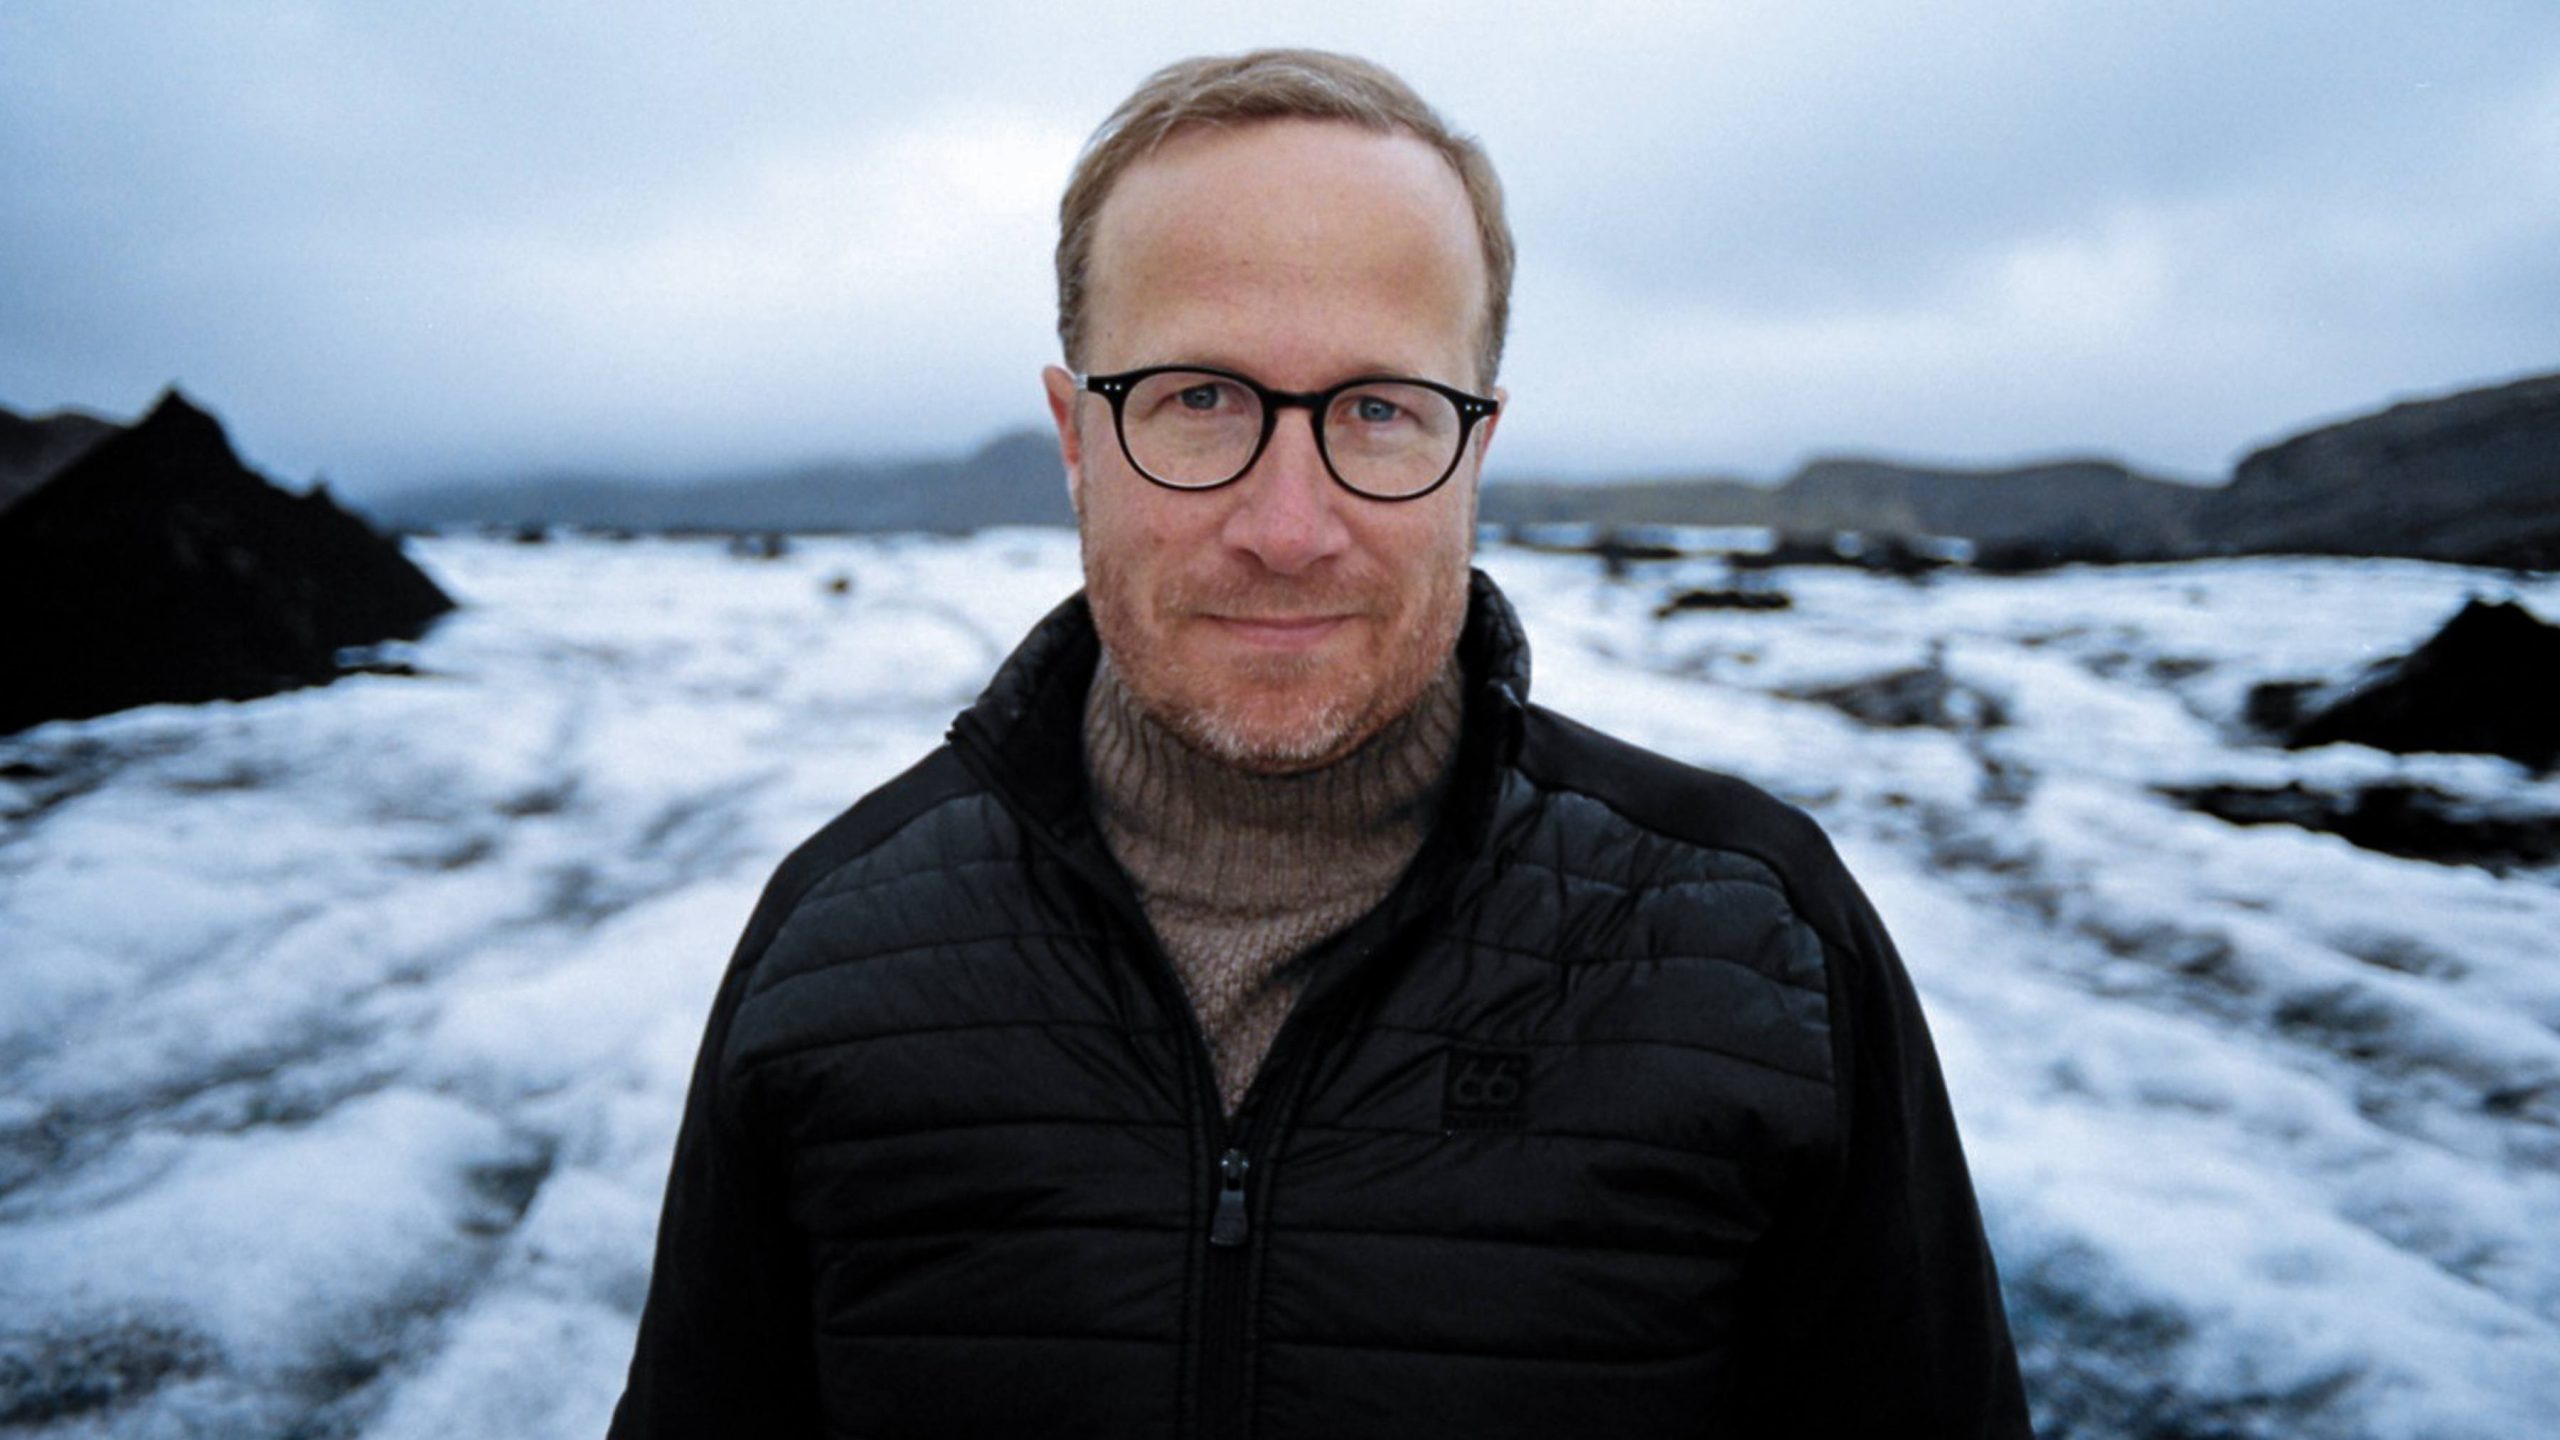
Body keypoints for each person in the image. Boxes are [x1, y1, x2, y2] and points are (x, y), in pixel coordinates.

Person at [610, 48, 2030, 1439]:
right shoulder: (840, 945)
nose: (1287, 529)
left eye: (1379, 410)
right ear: (1072, 435)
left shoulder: (1756, 946)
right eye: (1201, 398)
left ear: (1474, 449)